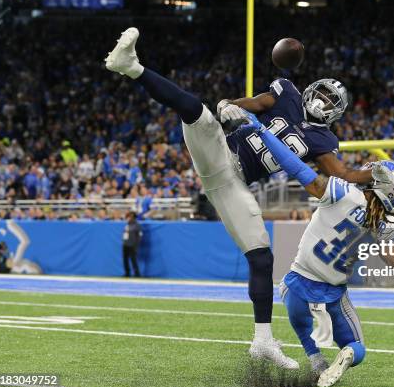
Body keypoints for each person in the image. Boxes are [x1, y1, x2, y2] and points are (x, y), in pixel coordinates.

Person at [104, 27, 374, 368]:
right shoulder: (286, 93)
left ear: (336, 113)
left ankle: (262, 341)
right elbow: (248, 104)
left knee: (262, 256)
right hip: (220, 151)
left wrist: (378, 173)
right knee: (198, 112)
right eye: (321, 94)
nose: (322, 103)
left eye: (330, 102)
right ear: (309, 91)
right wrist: (228, 105)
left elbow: (344, 175)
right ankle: (131, 66)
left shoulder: (324, 141)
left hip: (234, 185)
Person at [240, 112, 394, 387]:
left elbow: (296, 167)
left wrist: (265, 133)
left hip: (297, 285)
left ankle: (315, 358)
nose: (369, 168)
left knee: (291, 301)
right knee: (357, 349)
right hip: (334, 295)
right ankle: (341, 353)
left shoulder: (342, 191)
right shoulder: (384, 224)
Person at [123, 212, 142, 277]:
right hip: (125, 244)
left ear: (133, 218)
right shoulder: (127, 225)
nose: (128, 218)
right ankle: (127, 273)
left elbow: (139, 236)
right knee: (125, 260)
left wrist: (136, 245)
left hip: (132, 245)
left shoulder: (137, 225)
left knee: (133, 260)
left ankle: (137, 273)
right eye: (127, 217)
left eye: (129, 217)